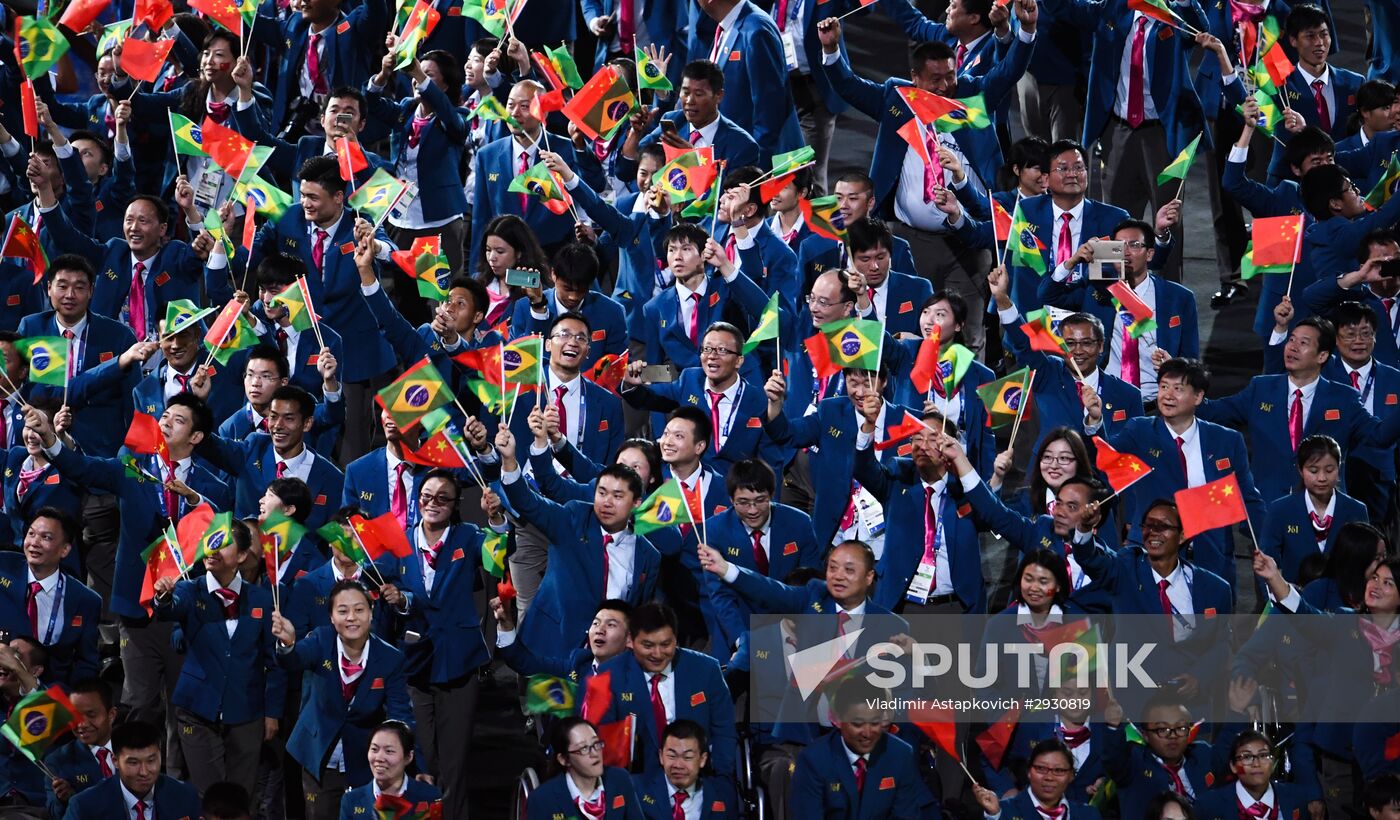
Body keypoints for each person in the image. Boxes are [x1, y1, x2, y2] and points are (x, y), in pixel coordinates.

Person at [1082, 357, 1264, 586]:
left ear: (1198, 396)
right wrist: (1095, 421)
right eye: (1163, 387)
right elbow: (1104, 456)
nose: (1168, 395)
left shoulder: (1227, 440)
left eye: (1178, 389)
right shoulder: (1141, 430)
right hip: (1151, 550)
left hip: (1211, 556)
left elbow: (1248, 497)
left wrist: (1267, 545)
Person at [375, 470, 492, 820]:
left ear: (455, 505)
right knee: (423, 756)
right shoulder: (399, 542)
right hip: (415, 663)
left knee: (454, 764)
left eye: (443, 498)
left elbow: (503, 549)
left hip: (458, 661)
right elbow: (396, 595)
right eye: (427, 496)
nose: (433, 503)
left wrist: (497, 516)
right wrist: (399, 600)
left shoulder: (469, 537)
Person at [495, 426, 661, 661]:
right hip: (551, 651)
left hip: (606, 662)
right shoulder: (573, 518)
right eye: (601, 493)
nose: (607, 502)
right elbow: (528, 503)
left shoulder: (649, 556)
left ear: (636, 503)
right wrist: (509, 459)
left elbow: (638, 615)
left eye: (617, 496)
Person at [152, 516, 284, 797]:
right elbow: (170, 608)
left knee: (241, 797)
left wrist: (272, 712)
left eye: (222, 544)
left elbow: (273, 662)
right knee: (208, 796)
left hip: (246, 711)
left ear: (243, 555)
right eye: (210, 541)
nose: (212, 549)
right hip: (197, 710)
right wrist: (162, 597)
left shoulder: (261, 599)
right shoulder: (189, 589)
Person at [270, 580, 413, 819]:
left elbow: (401, 714)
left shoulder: (390, 658)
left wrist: (403, 754)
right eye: (343, 611)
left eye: (359, 610)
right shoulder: (319, 640)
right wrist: (288, 644)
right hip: (319, 755)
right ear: (331, 617)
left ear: (371, 613)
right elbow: (293, 661)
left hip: (364, 759)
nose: (351, 618)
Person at [1038, 218, 1201, 402]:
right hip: (1108, 404)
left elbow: (1193, 362)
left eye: (1134, 245)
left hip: (1158, 405)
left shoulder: (1179, 298)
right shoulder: (1095, 289)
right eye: (1118, 247)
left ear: (1149, 254)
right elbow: (1047, 295)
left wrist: (1174, 366)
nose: (1125, 253)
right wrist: (1073, 260)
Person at [994, 267, 1144, 453]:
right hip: (1049, 473)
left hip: (1097, 478)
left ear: (1101, 346)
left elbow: (1133, 452)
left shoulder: (1128, 395)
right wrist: (1002, 299)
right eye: (1070, 343)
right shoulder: (1048, 374)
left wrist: (1095, 423)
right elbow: (1024, 344)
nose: (1078, 351)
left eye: (1087, 343)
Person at [594, 603, 737, 781]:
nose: (658, 653)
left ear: (676, 639)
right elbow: (601, 742)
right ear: (630, 641)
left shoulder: (707, 671)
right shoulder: (608, 676)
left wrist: (721, 781)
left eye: (666, 644)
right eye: (648, 645)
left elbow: (724, 733)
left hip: (698, 781)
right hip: (637, 786)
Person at [704, 458, 821, 656]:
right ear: (731, 500)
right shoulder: (715, 530)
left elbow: (811, 585)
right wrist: (742, 642)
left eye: (760, 500)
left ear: (772, 495)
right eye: (743, 502)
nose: (752, 510)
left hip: (792, 633)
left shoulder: (799, 523)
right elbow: (721, 595)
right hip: (738, 633)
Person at [789, 677, 938, 818]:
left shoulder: (900, 754)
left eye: (874, 723)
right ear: (838, 719)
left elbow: (906, 815)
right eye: (857, 724)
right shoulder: (813, 761)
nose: (867, 733)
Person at [0, 507, 101, 684]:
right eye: (31, 534)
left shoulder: (85, 600)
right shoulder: (3, 567)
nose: (34, 543)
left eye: (46, 537)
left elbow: (87, 664)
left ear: (65, 550)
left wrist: (68, 703)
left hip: (50, 701)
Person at [1260, 435, 1369, 585]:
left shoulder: (1356, 510)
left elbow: (1362, 564)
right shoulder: (1280, 510)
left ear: (1339, 468)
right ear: (1300, 470)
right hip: (1293, 601)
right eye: (1313, 470)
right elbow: (1265, 565)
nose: (1322, 478)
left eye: (1329, 470)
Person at [60, 720, 202, 820]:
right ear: (115, 761)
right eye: (133, 763)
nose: (144, 772)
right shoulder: (85, 806)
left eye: (151, 760)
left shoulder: (186, 796)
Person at [526, 717, 643, 819]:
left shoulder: (619, 779)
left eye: (596, 744)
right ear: (564, 759)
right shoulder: (542, 799)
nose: (594, 753)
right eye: (583, 749)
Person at [1191, 730, 1312, 820]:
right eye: (1247, 757)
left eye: (1263, 755)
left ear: (1273, 763)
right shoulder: (1209, 805)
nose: (1256, 763)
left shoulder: (1297, 797)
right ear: (1233, 766)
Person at [972, 738, 1103, 820]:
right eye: (1041, 769)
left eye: (1058, 770)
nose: (1049, 777)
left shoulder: (1089, 815)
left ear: (1071, 776)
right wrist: (994, 815)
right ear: (1029, 771)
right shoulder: (1003, 811)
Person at [43, 678, 118, 818]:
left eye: (91, 715)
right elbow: (53, 814)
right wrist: (63, 800)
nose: (82, 724)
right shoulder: (58, 760)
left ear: (111, 715)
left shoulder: (133, 748)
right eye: (74, 716)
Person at [635, 720, 740, 819]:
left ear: (702, 759)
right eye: (672, 756)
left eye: (687, 757)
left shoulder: (722, 794)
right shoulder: (637, 790)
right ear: (661, 756)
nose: (678, 765)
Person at [335, 721, 442, 817]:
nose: (379, 758)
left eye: (389, 751)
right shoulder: (351, 800)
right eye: (374, 749)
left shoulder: (431, 797)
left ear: (409, 757)